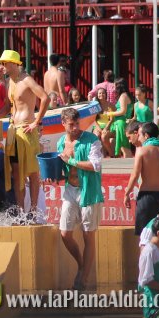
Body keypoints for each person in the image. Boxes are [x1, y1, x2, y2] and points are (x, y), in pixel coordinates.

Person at [56, 107, 104, 291]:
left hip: (89, 191)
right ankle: (82, 264)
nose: (75, 127)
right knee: (65, 233)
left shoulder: (91, 140)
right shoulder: (61, 142)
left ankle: (83, 279)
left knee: (88, 234)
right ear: (63, 124)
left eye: (77, 123)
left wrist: (72, 161)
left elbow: (95, 165)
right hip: (70, 189)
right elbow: (63, 168)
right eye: (71, 124)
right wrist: (54, 176)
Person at [0, 50, 49, 213]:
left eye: (4, 63)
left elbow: (45, 97)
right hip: (14, 130)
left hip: (27, 129)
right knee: (17, 173)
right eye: (1, 63)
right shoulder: (9, 82)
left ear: (14, 64)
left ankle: (33, 211)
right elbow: (8, 106)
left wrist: (36, 122)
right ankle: (21, 212)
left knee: (32, 172)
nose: (1, 66)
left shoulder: (26, 79)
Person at [124, 122, 159, 235]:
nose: (139, 137)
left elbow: (135, 175)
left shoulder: (142, 150)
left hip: (146, 196)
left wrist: (127, 193)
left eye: (140, 135)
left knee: (144, 235)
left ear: (146, 135)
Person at [106, 78, 134, 158]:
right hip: (119, 122)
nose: (113, 87)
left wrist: (110, 113)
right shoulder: (125, 95)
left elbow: (123, 111)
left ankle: (128, 163)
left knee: (124, 146)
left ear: (119, 86)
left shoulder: (123, 96)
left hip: (121, 123)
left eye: (114, 85)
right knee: (119, 144)